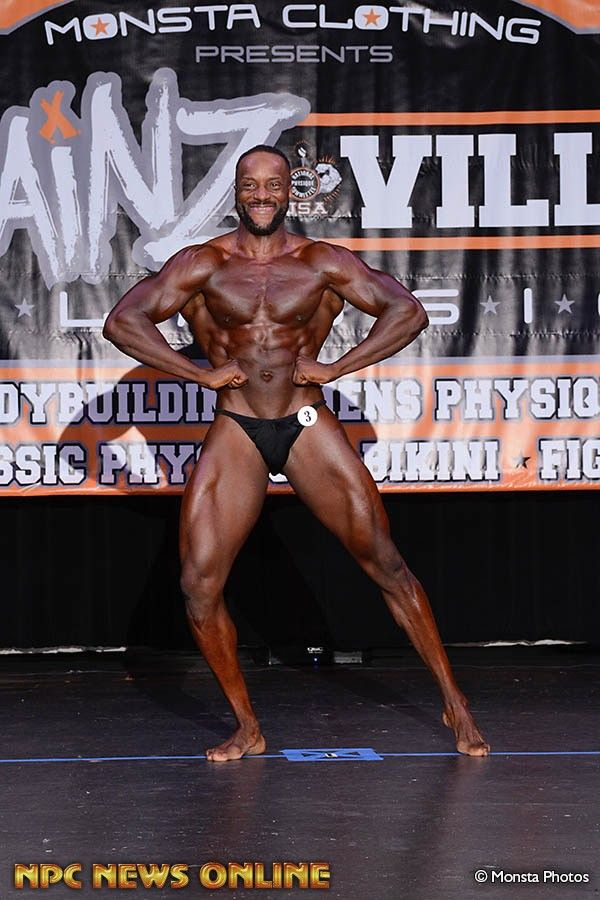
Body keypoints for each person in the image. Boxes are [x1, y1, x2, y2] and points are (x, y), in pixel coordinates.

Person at [103, 144, 490, 761]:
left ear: (290, 192)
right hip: (237, 426)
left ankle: (455, 702)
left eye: (273, 184)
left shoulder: (321, 262)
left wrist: (337, 366)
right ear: (236, 192)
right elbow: (123, 321)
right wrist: (196, 374)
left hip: (306, 421)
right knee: (198, 585)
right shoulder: (203, 263)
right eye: (250, 185)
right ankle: (247, 726)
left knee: (386, 562)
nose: (261, 194)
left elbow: (407, 312)